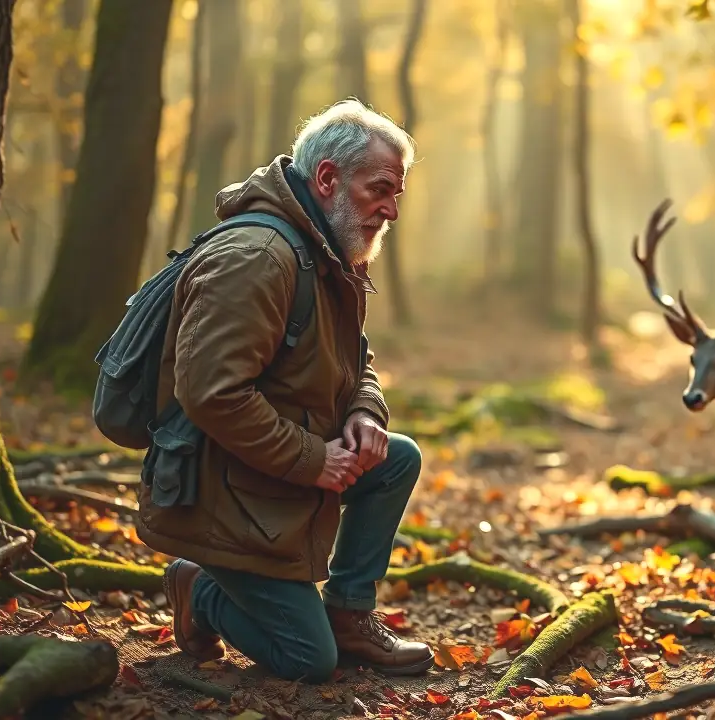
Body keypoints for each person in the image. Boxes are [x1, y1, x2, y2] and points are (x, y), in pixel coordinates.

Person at [135, 99, 432, 682]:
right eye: (381, 190)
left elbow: (355, 360)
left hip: (269, 480)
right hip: (221, 495)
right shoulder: (258, 257)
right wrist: (313, 459)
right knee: (308, 660)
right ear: (327, 179)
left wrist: (365, 413)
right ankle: (199, 590)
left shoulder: (325, 252)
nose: (392, 211)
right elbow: (212, 392)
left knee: (395, 457)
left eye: (397, 194)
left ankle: (349, 613)